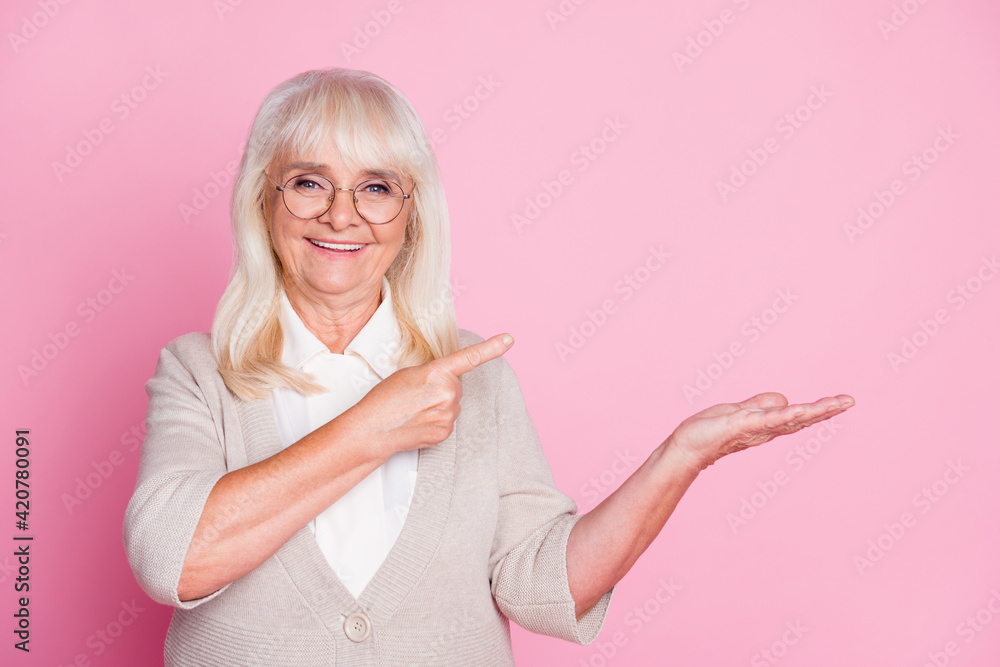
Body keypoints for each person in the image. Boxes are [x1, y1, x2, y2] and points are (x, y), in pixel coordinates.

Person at [122, 67, 854, 666]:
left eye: (376, 187)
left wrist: (680, 457)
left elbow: (539, 585)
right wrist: (372, 428)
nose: (342, 215)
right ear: (264, 198)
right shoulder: (198, 371)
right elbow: (173, 559)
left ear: (411, 214)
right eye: (310, 182)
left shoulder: (477, 375)